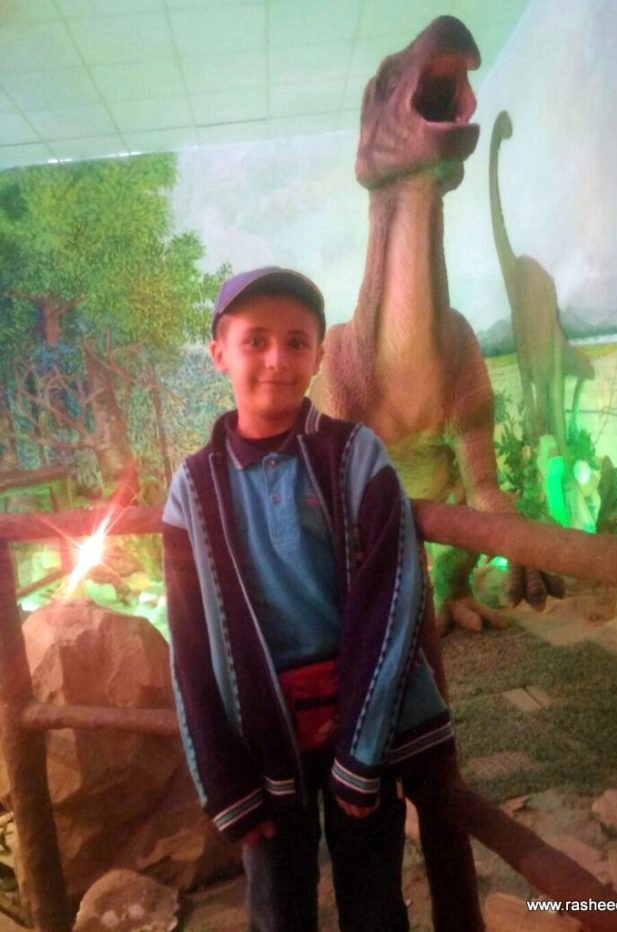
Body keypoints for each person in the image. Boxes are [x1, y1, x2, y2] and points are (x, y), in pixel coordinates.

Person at [163, 266, 482, 931]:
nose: (276, 360)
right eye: (255, 341)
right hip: (263, 739)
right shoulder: (192, 489)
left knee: (374, 902)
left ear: (319, 355)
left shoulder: (356, 456)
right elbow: (190, 645)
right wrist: (223, 782)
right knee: (277, 907)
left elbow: (390, 599)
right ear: (220, 353)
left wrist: (361, 754)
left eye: (296, 342)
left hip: (361, 719)